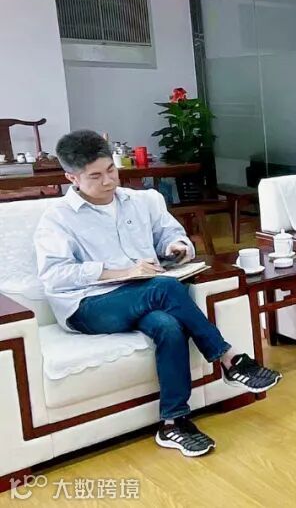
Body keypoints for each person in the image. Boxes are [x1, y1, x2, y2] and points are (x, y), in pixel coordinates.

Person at [35, 130, 282, 458]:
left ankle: (173, 423)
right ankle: (228, 358)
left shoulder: (142, 201)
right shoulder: (57, 218)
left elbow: (171, 234)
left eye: (111, 170)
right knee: (164, 288)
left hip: (144, 293)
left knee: (168, 325)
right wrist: (122, 272)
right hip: (87, 305)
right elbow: (54, 275)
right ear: (72, 178)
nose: (109, 181)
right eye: (95, 176)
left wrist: (176, 248)